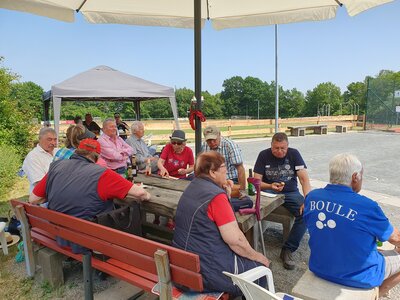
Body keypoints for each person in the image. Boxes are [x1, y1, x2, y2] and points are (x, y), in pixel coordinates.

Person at [173, 151, 269, 296]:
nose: (227, 176)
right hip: (203, 274)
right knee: (261, 270)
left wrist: (226, 195)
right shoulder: (216, 197)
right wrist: (257, 256)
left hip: (181, 267)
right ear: (212, 172)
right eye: (224, 172)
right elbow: (235, 241)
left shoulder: (193, 186)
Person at [29, 139, 150, 253]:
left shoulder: (56, 166)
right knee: (126, 211)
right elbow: (140, 193)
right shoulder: (102, 174)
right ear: (97, 156)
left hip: (60, 233)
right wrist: (147, 196)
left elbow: (33, 199)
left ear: (76, 151)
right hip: (89, 239)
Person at [304, 153, 400, 296]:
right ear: (355, 177)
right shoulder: (367, 206)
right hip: (361, 276)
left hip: (320, 267)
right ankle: (380, 293)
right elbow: (395, 238)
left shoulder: (312, 197)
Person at [253, 132, 311, 270]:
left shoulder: (294, 154)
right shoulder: (263, 155)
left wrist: (307, 199)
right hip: (269, 191)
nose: (279, 151)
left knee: (306, 212)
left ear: (288, 146)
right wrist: (270, 186)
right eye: (276, 148)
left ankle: (288, 250)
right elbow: (256, 181)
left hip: (290, 192)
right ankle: (251, 245)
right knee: (250, 207)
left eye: (282, 148)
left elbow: (304, 179)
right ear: (271, 145)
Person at [202, 125, 246, 195]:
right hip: (213, 180)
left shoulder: (230, 145)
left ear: (219, 135)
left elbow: (240, 169)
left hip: (231, 180)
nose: (212, 143)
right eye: (209, 141)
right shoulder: (204, 146)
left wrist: (242, 191)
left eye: (214, 139)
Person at [22, 127, 58, 193]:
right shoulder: (33, 157)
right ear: (40, 139)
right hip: (43, 200)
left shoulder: (58, 151)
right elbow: (39, 184)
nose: (53, 143)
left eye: (55, 139)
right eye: (49, 139)